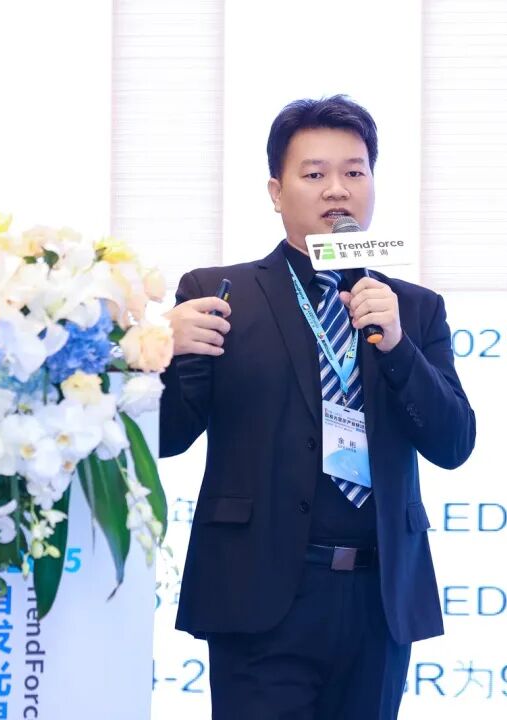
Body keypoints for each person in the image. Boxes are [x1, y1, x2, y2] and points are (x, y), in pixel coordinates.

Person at [159, 94, 476, 720]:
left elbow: (453, 443)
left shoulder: (413, 308)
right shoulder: (220, 293)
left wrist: (399, 348)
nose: (337, 189)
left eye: (354, 171)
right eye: (315, 174)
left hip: (377, 598)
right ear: (276, 192)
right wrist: (159, 352)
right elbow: (168, 436)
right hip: (258, 593)